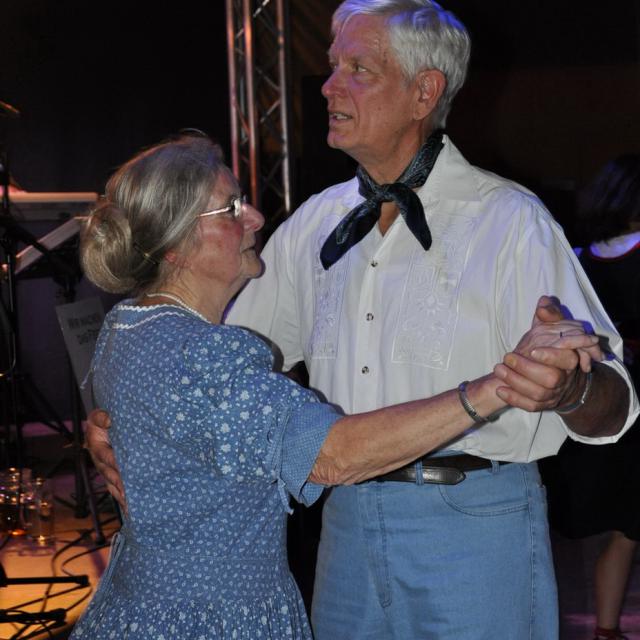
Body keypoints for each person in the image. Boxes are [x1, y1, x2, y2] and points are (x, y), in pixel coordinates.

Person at [87, 2, 639, 639]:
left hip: (473, 525)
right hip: (344, 523)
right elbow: (196, 358)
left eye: (358, 69)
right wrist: (117, 425)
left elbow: (616, 405)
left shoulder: (509, 220)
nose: (328, 86)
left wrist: (569, 388)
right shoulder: (313, 225)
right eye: (331, 67)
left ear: (423, 92)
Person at [540, 155, 640, 640]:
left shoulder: (577, 259)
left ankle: (605, 629)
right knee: (626, 527)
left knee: (617, 526)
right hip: (627, 404)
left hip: (591, 402)